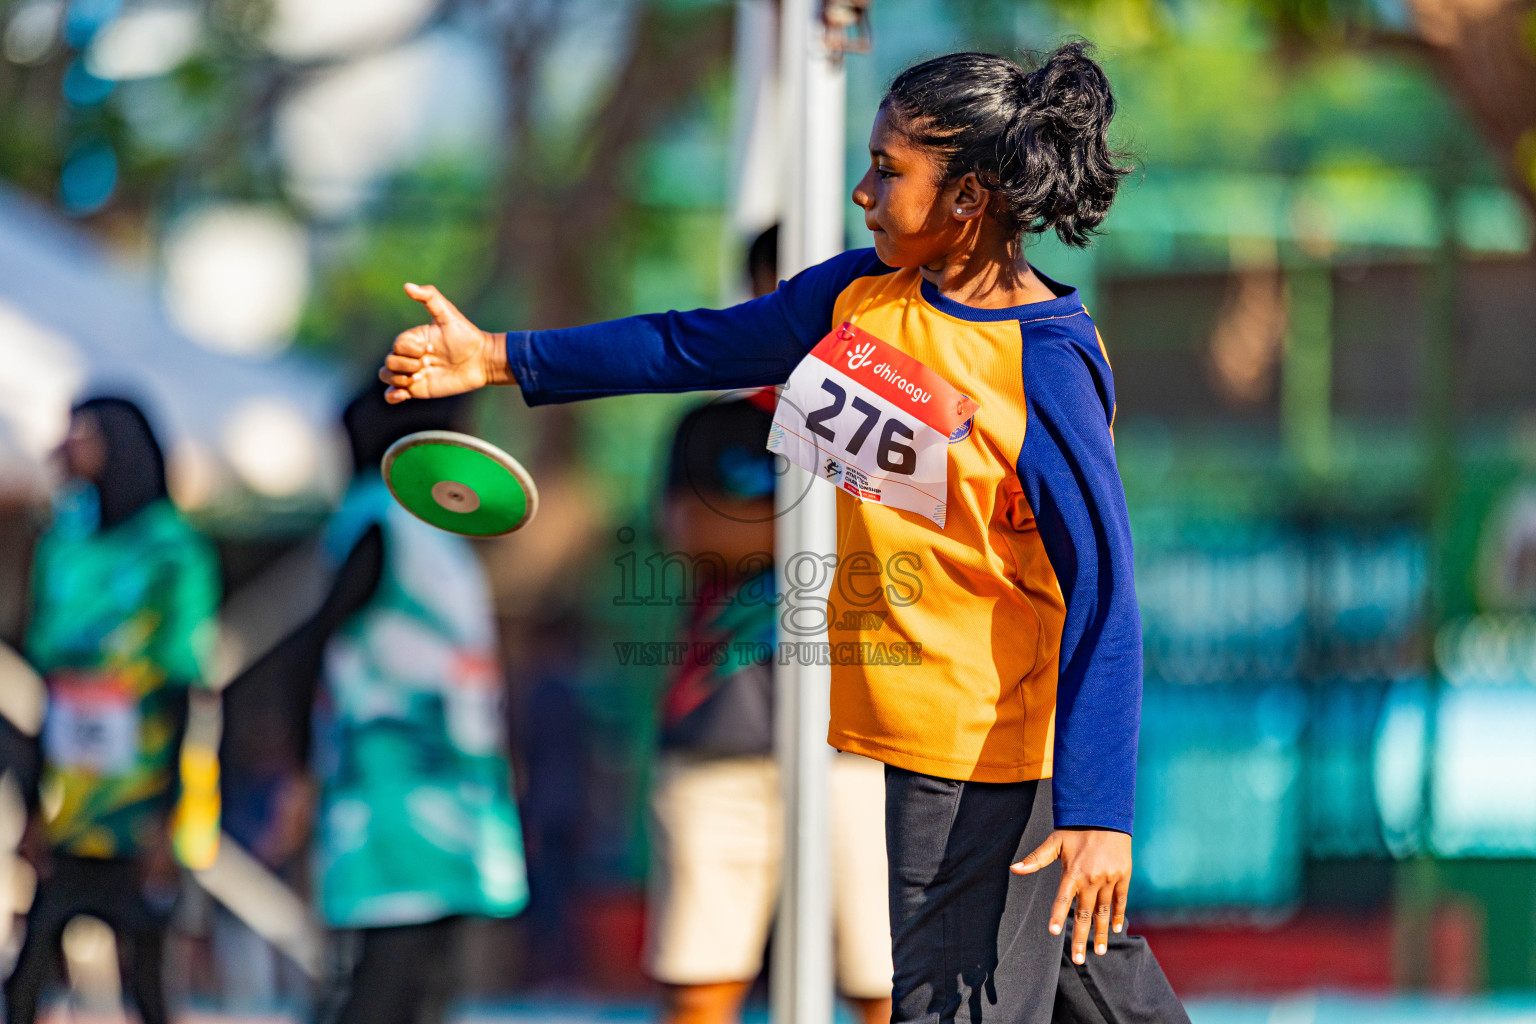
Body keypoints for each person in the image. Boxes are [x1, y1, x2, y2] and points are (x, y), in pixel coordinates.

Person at [379, 44, 1189, 1024]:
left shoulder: (1043, 361)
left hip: (985, 755)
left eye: (889, 170)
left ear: (969, 197)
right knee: (1092, 984)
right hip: (920, 744)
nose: (860, 190)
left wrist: (1100, 812)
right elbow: (692, 343)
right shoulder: (859, 300)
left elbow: (1103, 585)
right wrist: (498, 355)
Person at [221, 387, 528, 1024]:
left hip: (451, 792)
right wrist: (304, 768)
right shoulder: (380, 520)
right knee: (391, 976)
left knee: (431, 976)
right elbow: (313, 647)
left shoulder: (426, 528)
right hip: (393, 796)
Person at [648, 390, 892, 1024]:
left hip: (864, 740)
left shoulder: (878, 420)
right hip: (719, 738)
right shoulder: (714, 425)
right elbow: (697, 532)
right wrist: (834, 517)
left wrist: (767, 519)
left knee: (889, 978)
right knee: (701, 978)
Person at [6, 397, 221, 1024]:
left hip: (142, 802)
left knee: (149, 981)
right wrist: (31, 805)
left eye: (83, 434)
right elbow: (51, 690)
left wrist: (169, 813)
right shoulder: (63, 545)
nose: (66, 447)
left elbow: (183, 686)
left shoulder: (173, 551)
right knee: (29, 974)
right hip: (70, 803)